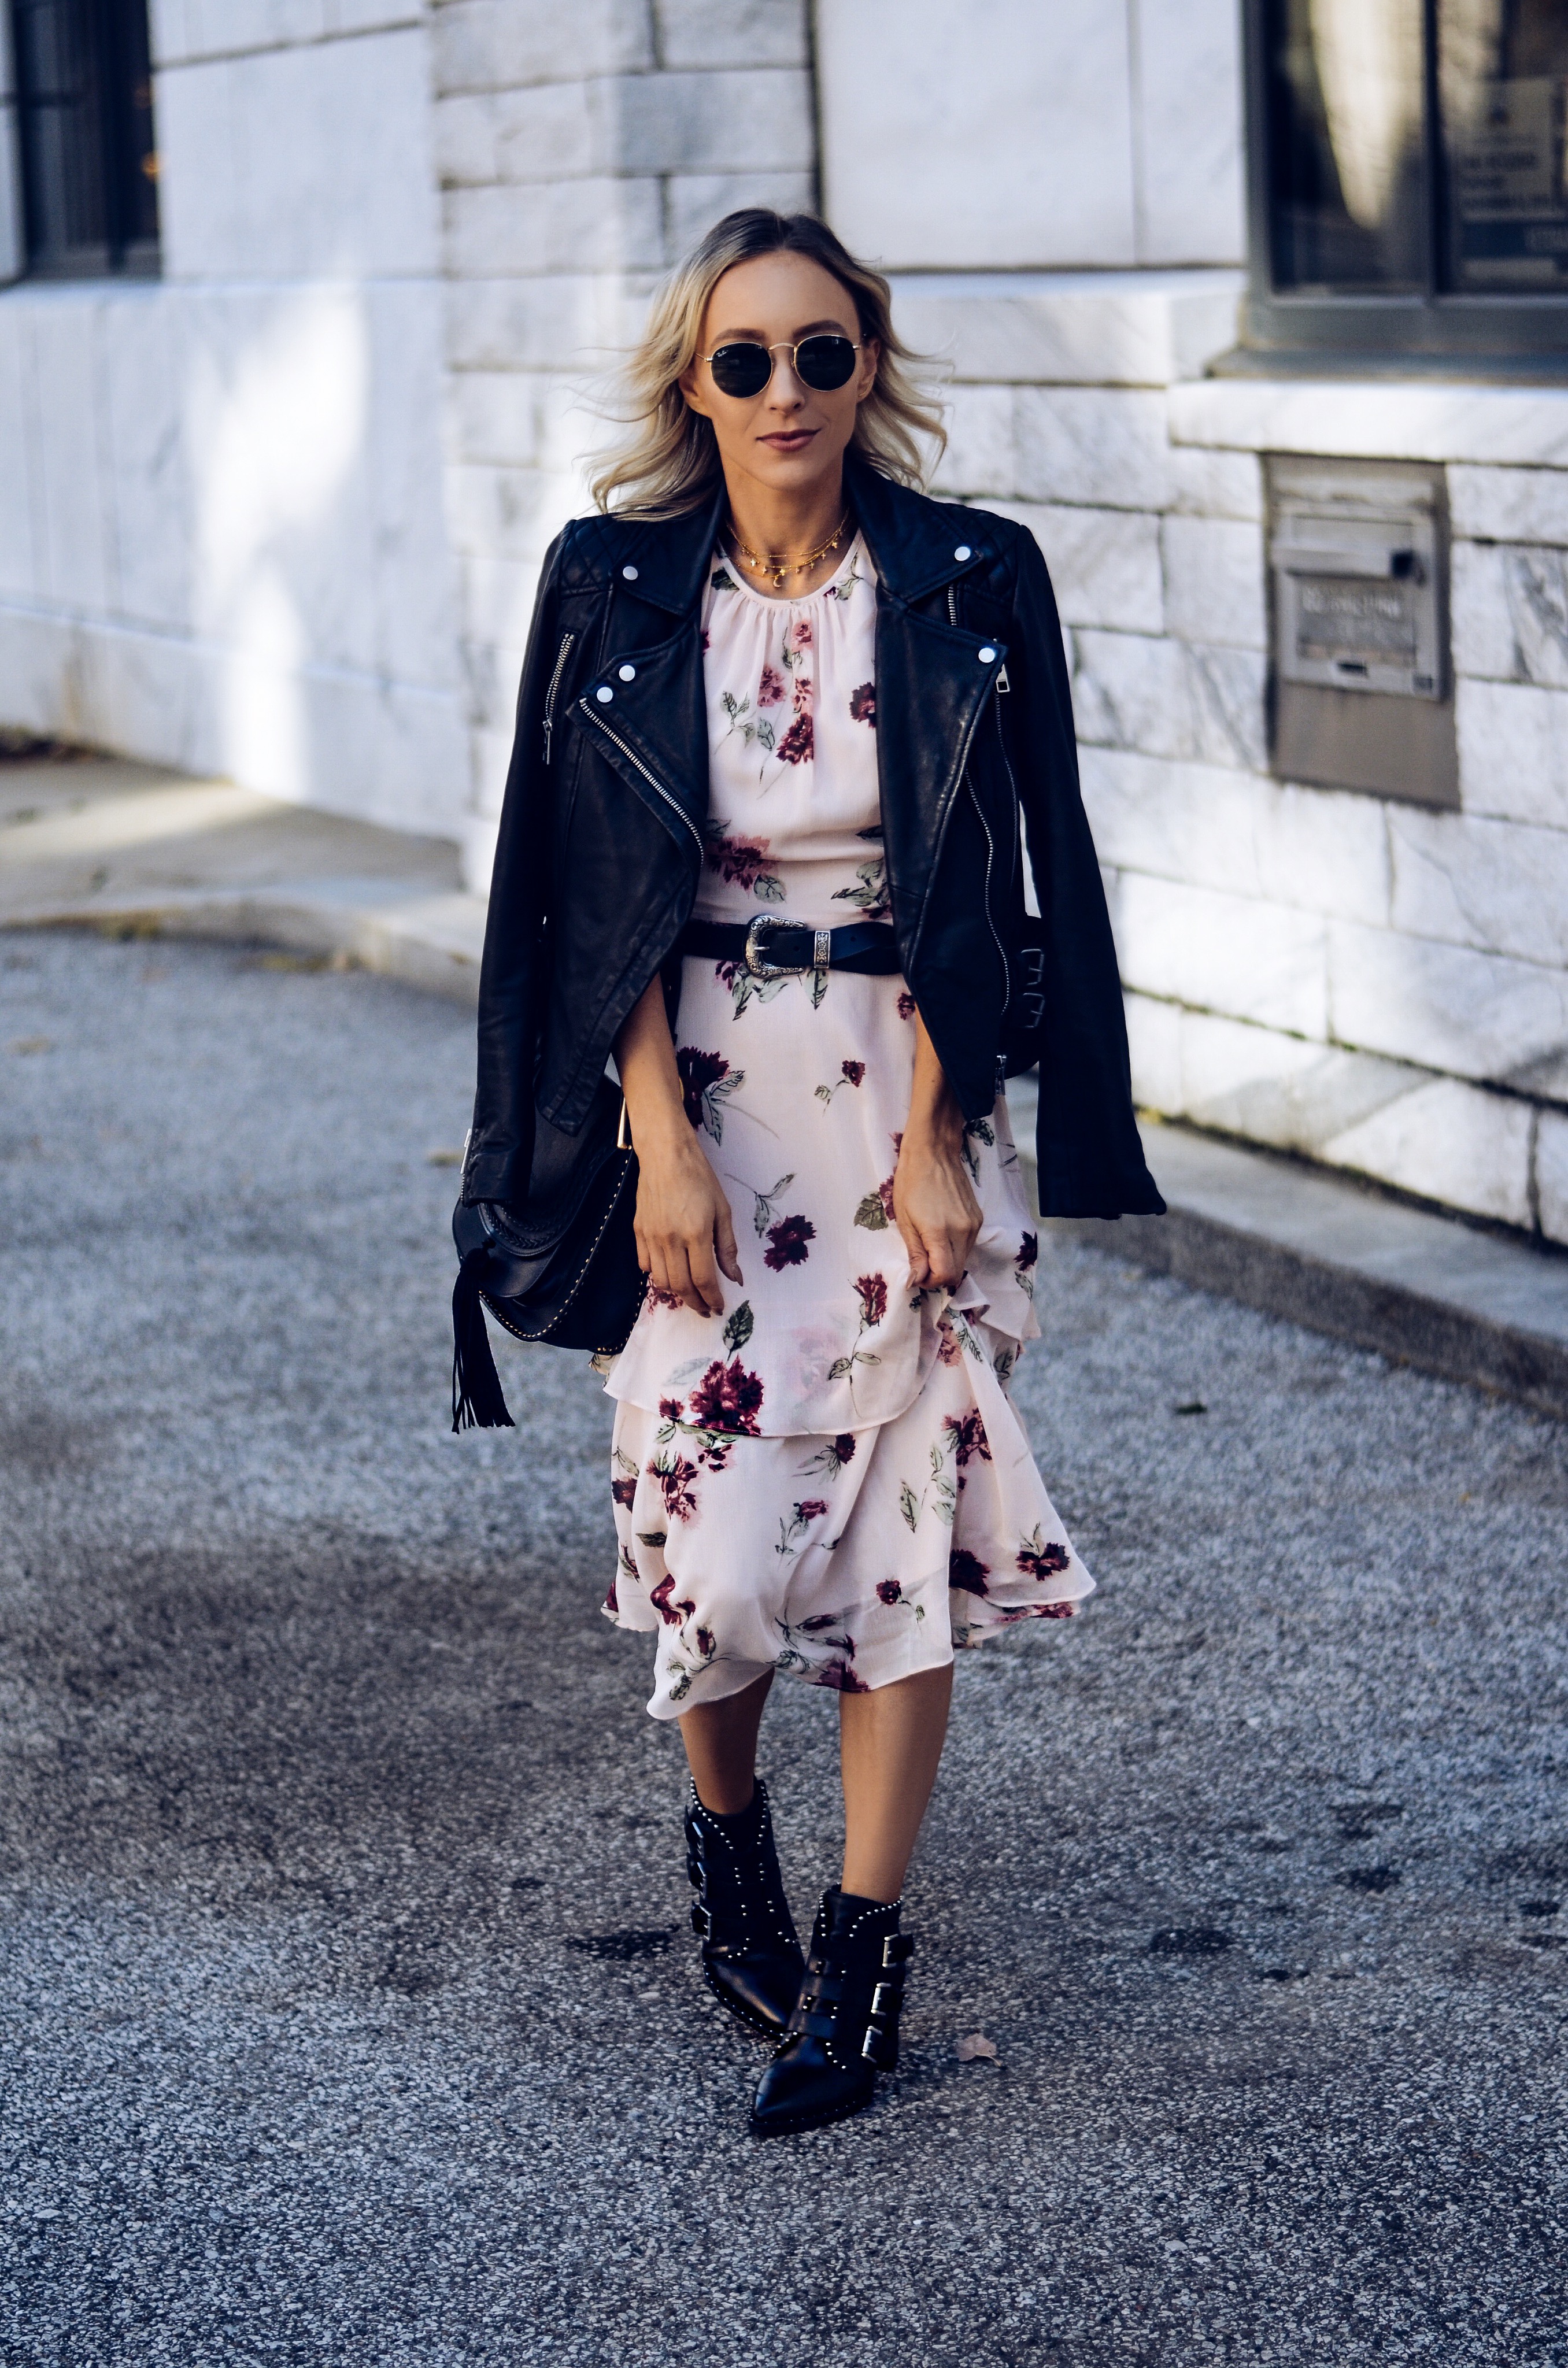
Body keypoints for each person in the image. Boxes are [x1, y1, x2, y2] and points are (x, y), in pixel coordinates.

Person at [463, 209, 1163, 2137]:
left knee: (895, 1528)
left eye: (821, 353)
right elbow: (578, 885)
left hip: (894, 1095)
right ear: (694, 381)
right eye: (745, 358)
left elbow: (994, 883)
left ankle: (856, 1965)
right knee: (715, 1531)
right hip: (695, 1095)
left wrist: (944, 1137)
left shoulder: (965, 577)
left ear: (871, 369)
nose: (786, 391)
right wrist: (654, 1137)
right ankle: (728, 1856)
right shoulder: (608, 584)